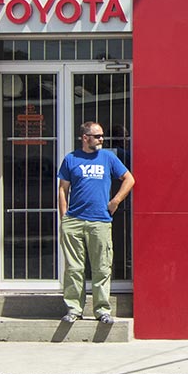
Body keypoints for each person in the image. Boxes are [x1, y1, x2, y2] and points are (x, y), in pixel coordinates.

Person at [57, 121, 135, 323]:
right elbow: (63, 189)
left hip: (100, 220)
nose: (102, 139)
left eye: (102, 136)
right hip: (74, 220)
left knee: (102, 267)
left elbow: (129, 179)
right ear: (85, 138)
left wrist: (116, 201)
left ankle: (102, 310)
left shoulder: (108, 157)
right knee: (74, 268)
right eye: (97, 136)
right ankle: (74, 309)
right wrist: (64, 217)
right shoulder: (71, 159)